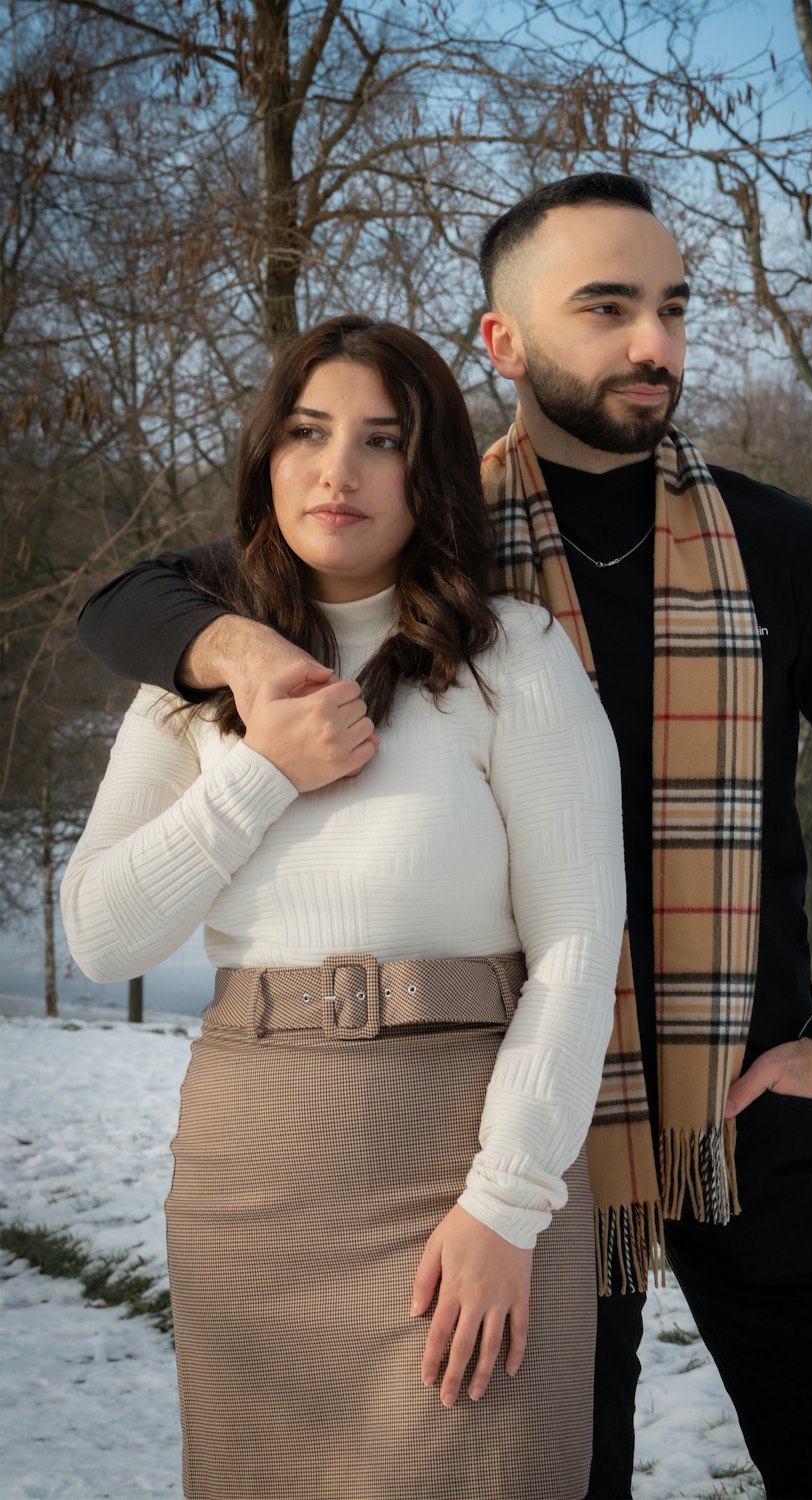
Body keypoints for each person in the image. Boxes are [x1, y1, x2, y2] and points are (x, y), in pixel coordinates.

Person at [75, 177, 812, 1500]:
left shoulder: (781, 548)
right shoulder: (427, 532)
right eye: (606, 308)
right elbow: (129, 601)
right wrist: (237, 654)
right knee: (557, 1469)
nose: (652, 342)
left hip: (742, 1107)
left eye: (671, 307)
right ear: (503, 343)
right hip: (533, 1110)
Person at [62, 314, 627, 1500]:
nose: (339, 470)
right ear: (267, 456)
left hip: (463, 1170)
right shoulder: (195, 688)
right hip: (252, 1177)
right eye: (310, 433)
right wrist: (265, 767)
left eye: (383, 441)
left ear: (428, 477)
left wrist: (506, 1207)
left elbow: (578, 951)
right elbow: (104, 934)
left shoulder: (512, 656)